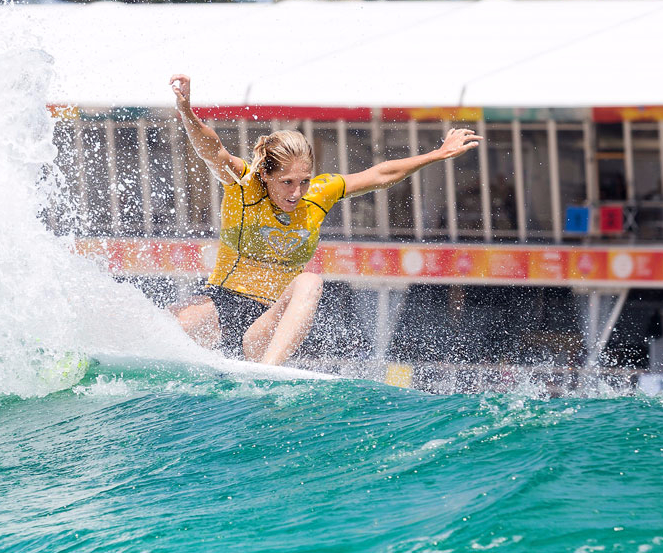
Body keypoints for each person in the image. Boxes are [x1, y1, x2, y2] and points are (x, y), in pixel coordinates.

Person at [169, 73, 483, 366]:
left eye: (303, 180)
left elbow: (379, 175)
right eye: (287, 182)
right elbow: (213, 150)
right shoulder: (245, 186)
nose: (296, 192)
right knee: (163, 326)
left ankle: (267, 372)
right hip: (220, 308)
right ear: (265, 175)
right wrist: (186, 111)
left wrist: (435, 155)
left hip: (266, 325)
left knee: (310, 281)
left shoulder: (319, 194)